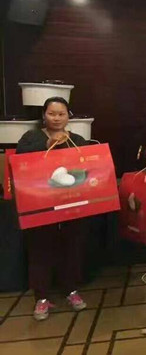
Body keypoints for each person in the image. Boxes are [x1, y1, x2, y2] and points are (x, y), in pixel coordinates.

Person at [16, 97, 89, 321]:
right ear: (43, 115)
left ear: (68, 117)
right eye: (51, 113)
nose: (56, 118)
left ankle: (71, 290)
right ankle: (41, 297)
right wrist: (47, 145)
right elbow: (20, 161)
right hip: (40, 203)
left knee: (72, 246)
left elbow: (87, 166)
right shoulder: (31, 138)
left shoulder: (77, 140)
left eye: (61, 114)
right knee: (40, 248)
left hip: (70, 203)